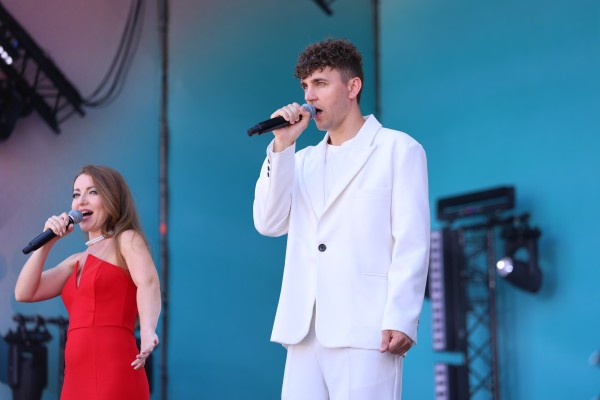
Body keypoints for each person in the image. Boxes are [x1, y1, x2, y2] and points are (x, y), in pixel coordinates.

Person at [253, 38, 430, 399]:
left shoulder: (398, 149)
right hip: (303, 329)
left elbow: (411, 241)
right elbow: (269, 223)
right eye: (305, 85)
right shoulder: (300, 161)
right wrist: (283, 146)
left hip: (366, 329)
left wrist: (402, 317)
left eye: (320, 83)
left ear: (352, 87)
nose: (309, 96)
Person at [15, 165, 161, 400]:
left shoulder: (126, 239)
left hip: (114, 371)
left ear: (112, 199)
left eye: (92, 192)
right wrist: (47, 244)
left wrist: (147, 329)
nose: (81, 201)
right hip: (74, 379)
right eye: (76, 194)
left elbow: (149, 283)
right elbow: (24, 292)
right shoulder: (75, 260)